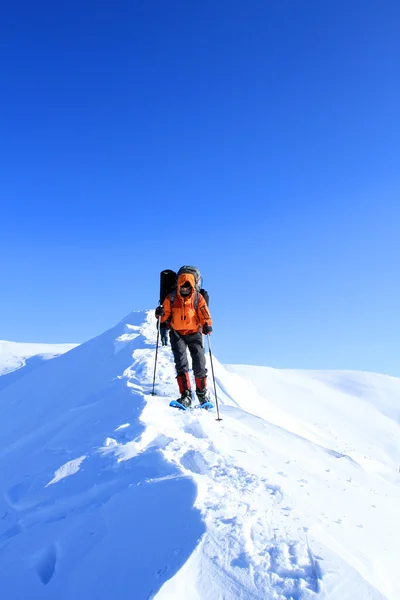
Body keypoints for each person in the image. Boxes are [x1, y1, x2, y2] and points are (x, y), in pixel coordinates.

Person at [155, 271, 212, 407]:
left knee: (199, 363)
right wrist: (160, 314)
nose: (185, 289)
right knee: (181, 363)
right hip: (177, 334)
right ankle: (185, 395)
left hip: (195, 333)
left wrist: (207, 325)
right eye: (182, 287)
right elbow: (164, 317)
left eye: (187, 287)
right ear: (178, 285)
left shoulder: (198, 298)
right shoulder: (171, 298)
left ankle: (202, 394)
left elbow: (204, 314)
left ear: (192, 286)